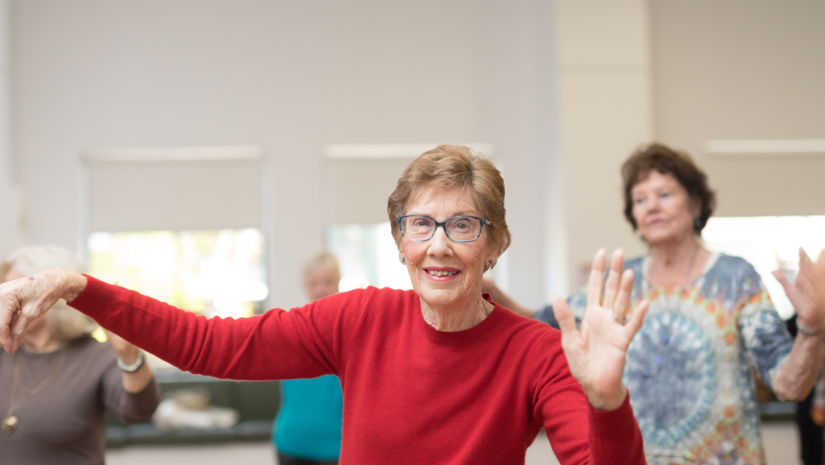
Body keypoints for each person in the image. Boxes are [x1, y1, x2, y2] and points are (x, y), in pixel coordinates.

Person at [0, 145, 651, 464]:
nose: (439, 245)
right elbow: (210, 343)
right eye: (420, 224)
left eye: (464, 225)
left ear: (496, 243)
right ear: (399, 241)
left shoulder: (535, 351)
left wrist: (606, 402)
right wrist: (82, 287)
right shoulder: (359, 317)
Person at [484, 143, 825, 465]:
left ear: (695, 203)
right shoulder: (619, 280)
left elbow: (789, 383)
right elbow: (543, 324)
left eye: (664, 194)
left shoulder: (735, 276)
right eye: (640, 199)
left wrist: (811, 330)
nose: (652, 206)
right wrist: (483, 288)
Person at [0, 245, 160, 464]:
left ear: (52, 298)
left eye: (15, 291)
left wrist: (129, 353)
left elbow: (139, 412)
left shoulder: (97, 355)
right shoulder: (4, 351)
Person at [274, 251, 344, 465]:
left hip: (336, 447)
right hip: (291, 444)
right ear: (305, 287)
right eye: (313, 284)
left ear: (339, 282)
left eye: (327, 282)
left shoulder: (351, 328)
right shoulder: (289, 328)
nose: (320, 289)